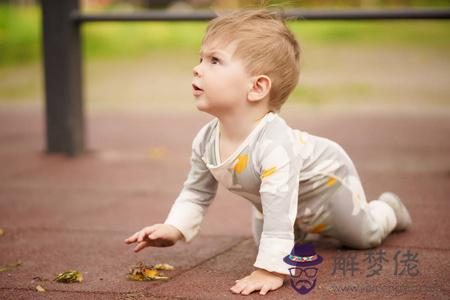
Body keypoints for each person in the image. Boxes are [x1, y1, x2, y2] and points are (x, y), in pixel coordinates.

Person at [124, 8, 412, 296]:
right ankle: (296, 230)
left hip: (328, 185)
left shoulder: (274, 144)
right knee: (269, 238)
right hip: (275, 201)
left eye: (214, 61)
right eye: (201, 58)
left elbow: (280, 204)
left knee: (363, 237)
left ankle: (388, 209)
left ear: (257, 87)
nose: (197, 68)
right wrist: (174, 227)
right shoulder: (205, 140)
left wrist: (271, 269)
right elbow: (197, 192)